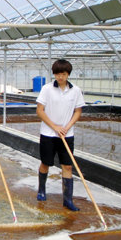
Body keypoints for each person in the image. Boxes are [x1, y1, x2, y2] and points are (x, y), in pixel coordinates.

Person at [36, 59, 85, 211]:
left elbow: (78, 111)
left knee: (67, 166)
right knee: (46, 163)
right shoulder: (47, 89)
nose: (60, 77)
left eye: (63, 74)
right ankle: (42, 190)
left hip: (67, 134)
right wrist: (55, 127)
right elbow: (40, 110)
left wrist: (66, 127)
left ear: (68, 74)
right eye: (57, 74)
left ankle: (67, 200)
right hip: (48, 134)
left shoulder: (75, 90)